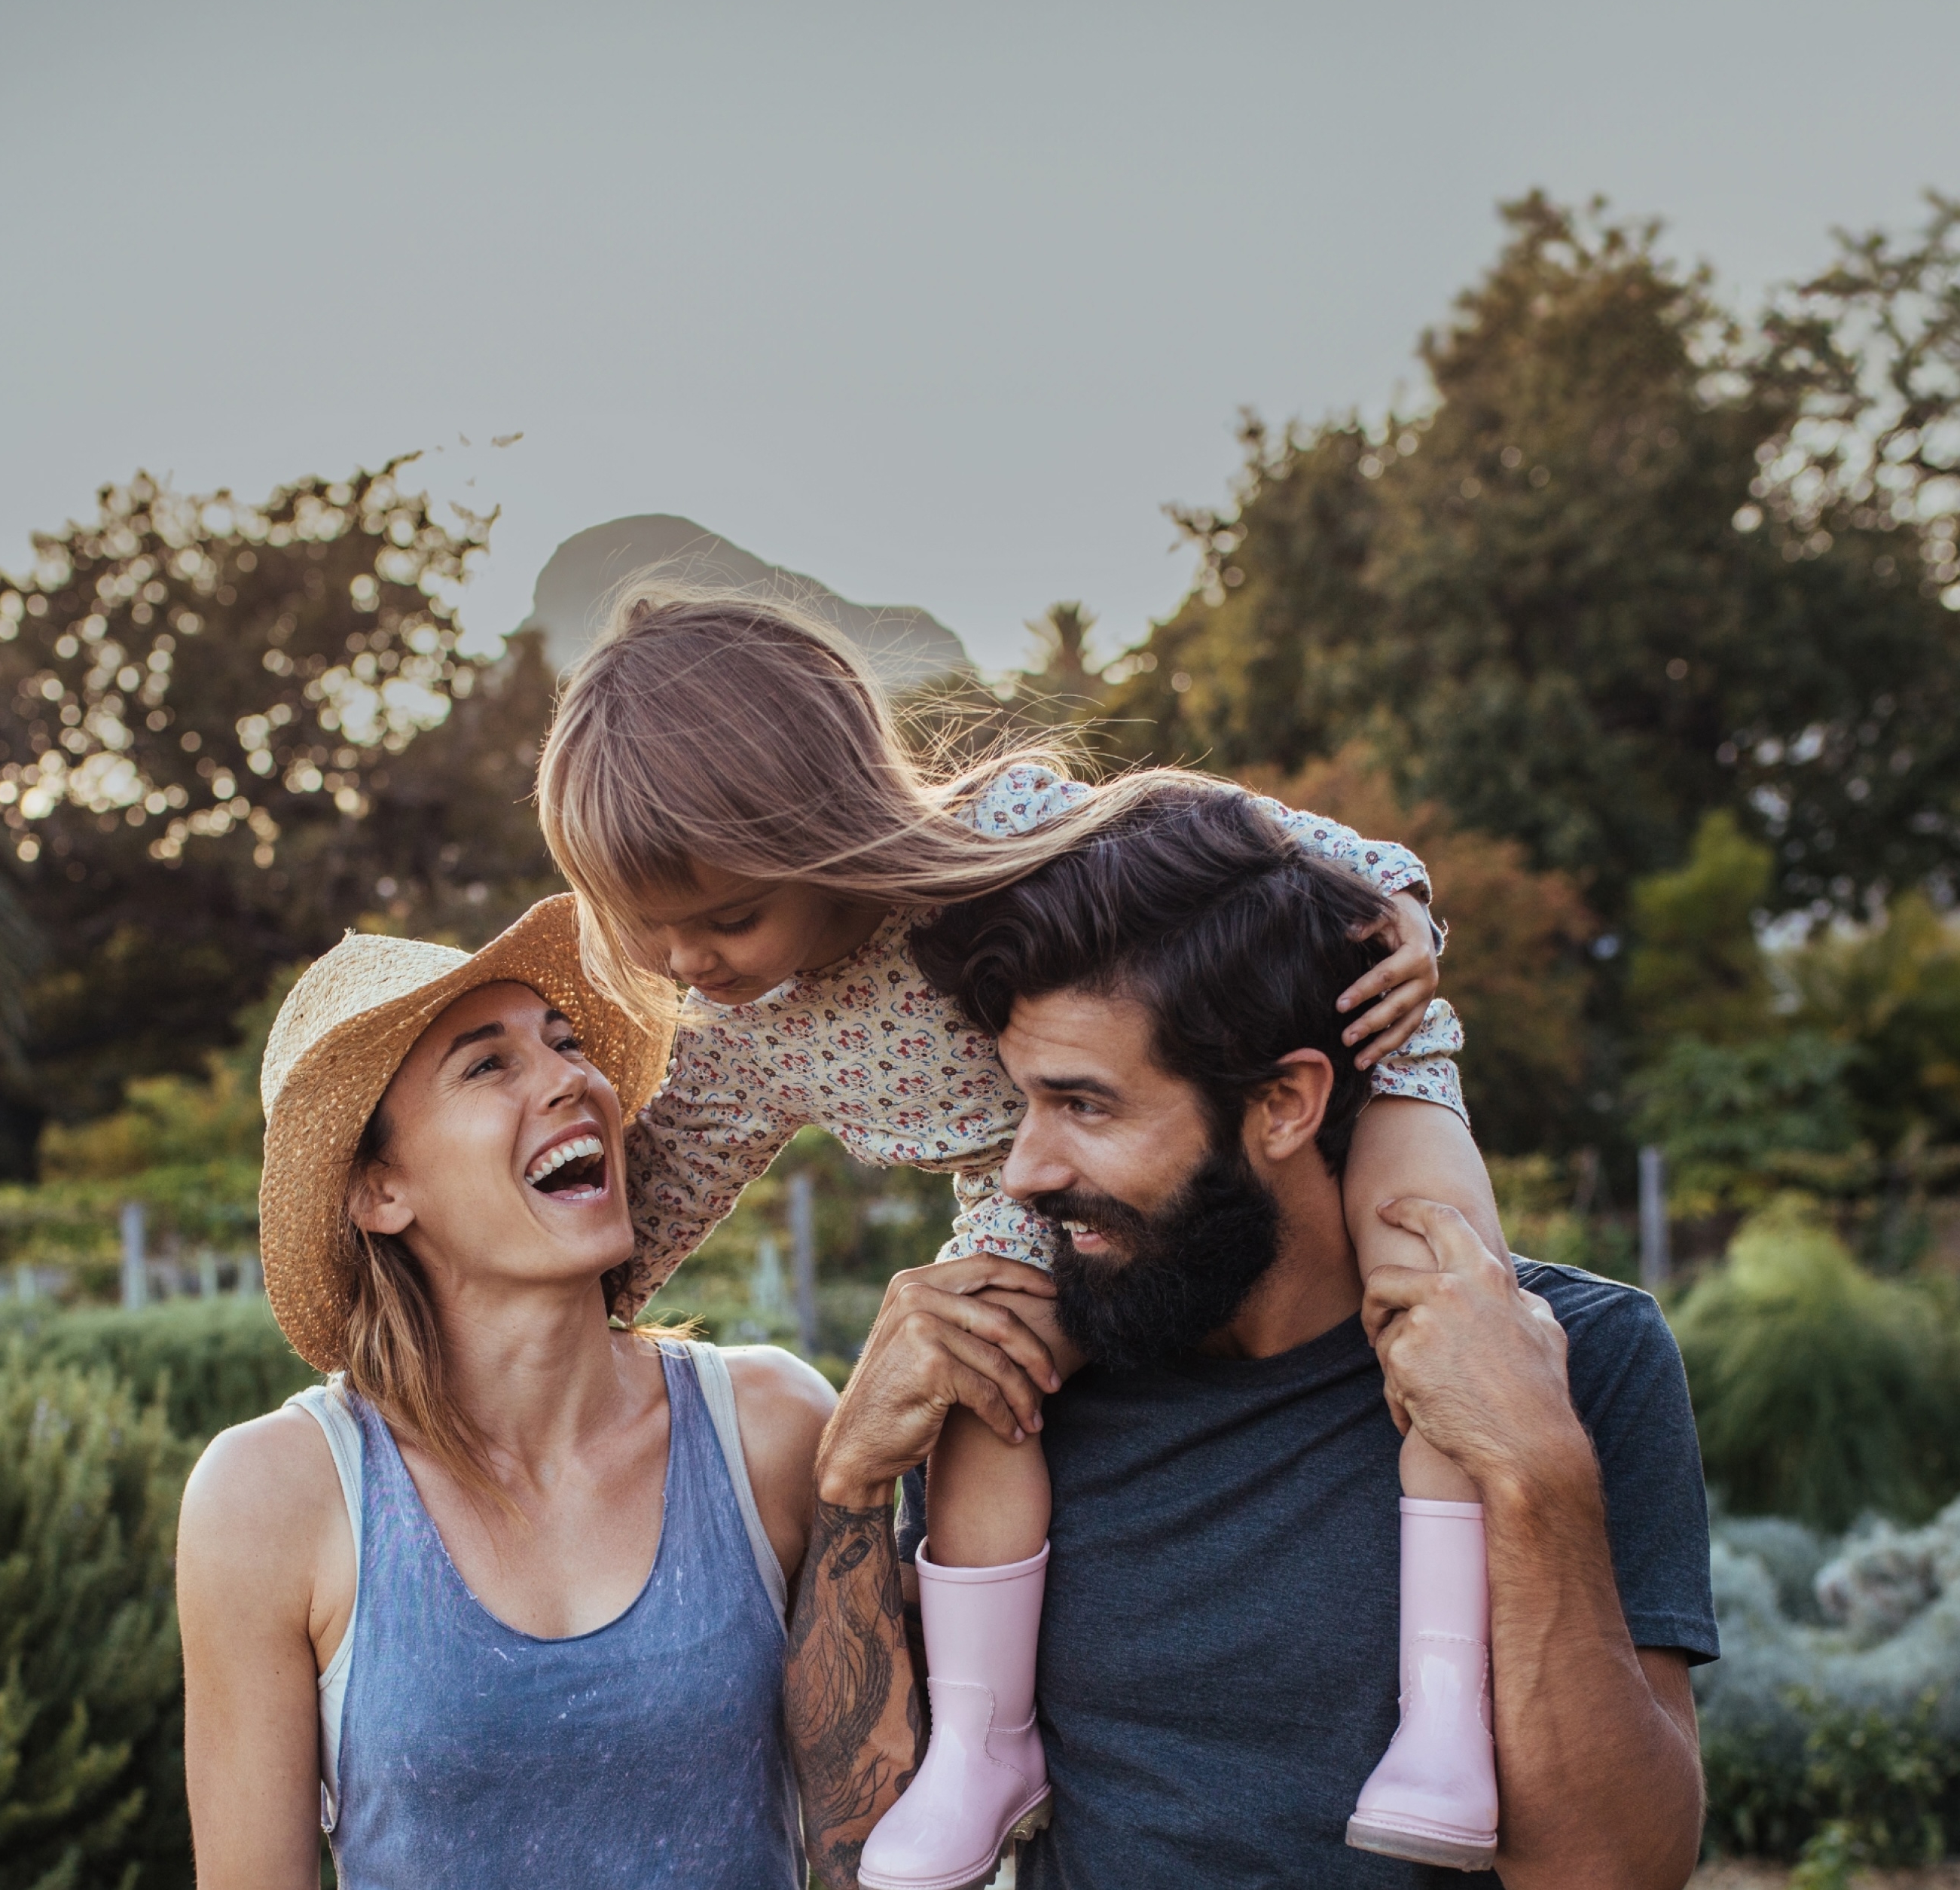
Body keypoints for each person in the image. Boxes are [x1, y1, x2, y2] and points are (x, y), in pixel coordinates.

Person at [536, 591, 1515, 1884]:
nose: (686, 961)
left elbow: (1300, 852)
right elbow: (654, 1204)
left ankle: (1446, 1713)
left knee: (1439, 1305)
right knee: (981, 1375)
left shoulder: (1008, 836)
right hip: (1050, 1203)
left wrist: (1404, 927)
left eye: (727, 917)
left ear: (831, 829)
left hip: (1359, 1065)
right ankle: (987, 1744)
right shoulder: (748, 1034)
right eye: (645, 926)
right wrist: (509, 1311)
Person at [786, 783, 1717, 1890]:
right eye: (1024, 1103)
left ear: (1283, 1104)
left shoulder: (1585, 1352)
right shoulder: (1013, 1377)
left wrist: (1538, 1465)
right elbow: (861, 1849)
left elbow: (1613, 1873)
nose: (1024, 1171)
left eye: (1086, 1106)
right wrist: (849, 1479)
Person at [177, 895, 835, 1890]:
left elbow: (889, 1834)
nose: (573, 1079)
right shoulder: (273, 1498)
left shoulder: (771, 1428)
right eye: (488, 1066)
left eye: (567, 1044)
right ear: (380, 1191)